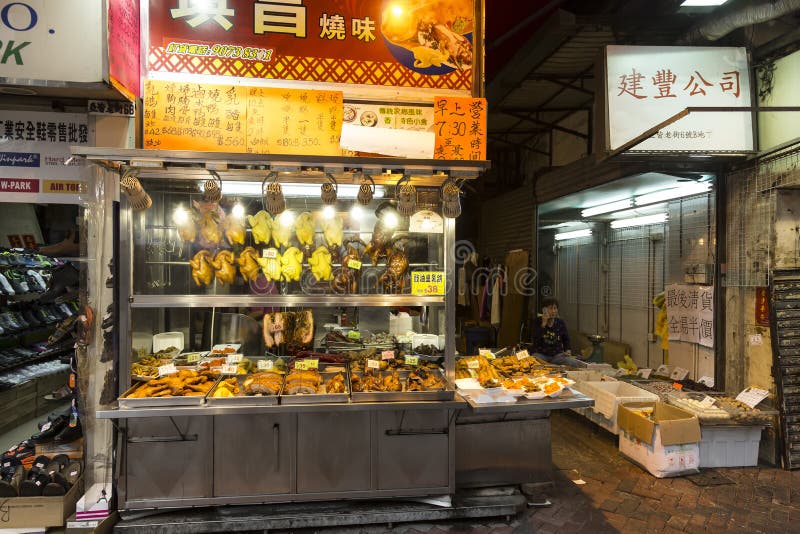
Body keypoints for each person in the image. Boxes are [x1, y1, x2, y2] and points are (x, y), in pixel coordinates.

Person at [531, 297, 584, 367]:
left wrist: (568, 350)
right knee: (533, 362)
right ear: (544, 310)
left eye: (555, 308)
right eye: (550, 308)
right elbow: (535, 339)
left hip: (557, 355)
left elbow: (566, 339)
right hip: (541, 355)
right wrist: (543, 324)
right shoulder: (537, 322)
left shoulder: (560, 322)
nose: (553, 311)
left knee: (573, 362)